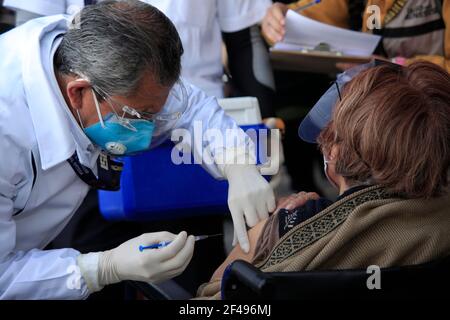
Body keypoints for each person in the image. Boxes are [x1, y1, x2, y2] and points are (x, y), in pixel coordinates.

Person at [0, 0, 276, 299]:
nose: (146, 135)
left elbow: (192, 107)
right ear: (78, 92)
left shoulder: (97, 55)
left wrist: (236, 161)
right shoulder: (8, 133)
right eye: (138, 117)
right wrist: (102, 268)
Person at [195, 60, 450, 299]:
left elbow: (212, 296)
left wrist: (270, 225)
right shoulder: (440, 227)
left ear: (335, 155)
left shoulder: (283, 227)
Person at [4, 0, 276, 117]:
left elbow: (245, 42)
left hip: (193, 133)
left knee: (193, 234)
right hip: (88, 127)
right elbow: (33, 51)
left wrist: (265, 122)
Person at [262, 0, 450, 72]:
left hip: (434, 118)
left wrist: (395, 66)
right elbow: (313, 14)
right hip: (376, 108)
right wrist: (281, 18)